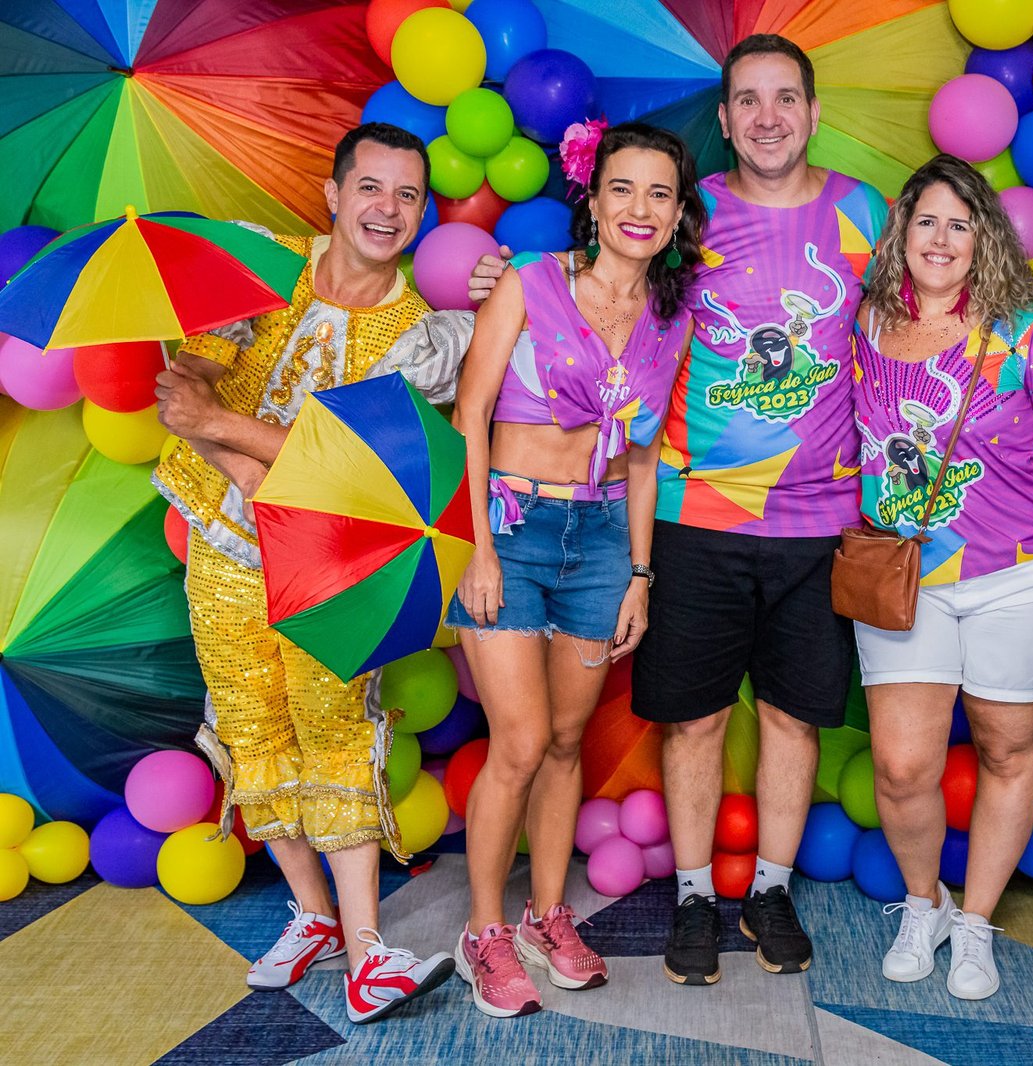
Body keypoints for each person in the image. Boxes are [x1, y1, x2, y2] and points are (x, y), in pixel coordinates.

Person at [472, 33, 886, 986]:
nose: (769, 117)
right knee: (692, 719)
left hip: (820, 518)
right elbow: (602, 288)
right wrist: (511, 281)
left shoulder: (866, 211)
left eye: (786, 98)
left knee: (793, 719)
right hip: (691, 517)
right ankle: (694, 896)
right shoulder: (691, 217)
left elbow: (916, 312)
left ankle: (771, 891)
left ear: (815, 112)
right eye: (748, 100)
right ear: (726, 118)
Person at [153, 122, 470, 1023]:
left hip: (333, 566)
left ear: (422, 213)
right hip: (221, 544)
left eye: (408, 195)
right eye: (371, 187)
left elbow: (353, 470)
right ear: (333, 194)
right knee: (250, 726)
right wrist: (243, 461)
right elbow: (186, 393)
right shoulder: (259, 268)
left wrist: (232, 434)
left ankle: (370, 955)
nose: (388, 209)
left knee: (334, 730)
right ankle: (315, 918)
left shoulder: (421, 336)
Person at [446, 122, 702, 1018]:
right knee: (518, 742)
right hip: (509, 528)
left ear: (678, 213)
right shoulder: (529, 283)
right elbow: (470, 416)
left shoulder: (671, 318)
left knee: (564, 741)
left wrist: (639, 574)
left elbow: (645, 456)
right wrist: (477, 548)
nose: (640, 209)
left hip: (601, 542)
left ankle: (546, 917)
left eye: (659, 194)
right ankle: (483, 932)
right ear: (592, 201)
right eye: (622, 188)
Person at [851, 154, 1033, 1001]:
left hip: (1018, 572)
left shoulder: (1020, 327)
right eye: (927, 221)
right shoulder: (865, 323)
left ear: (982, 238)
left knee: (1006, 749)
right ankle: (925, 905)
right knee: (902, 767)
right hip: (902, 576)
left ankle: (978, 923)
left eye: (959, 224)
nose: (942, 238)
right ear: (903, 232)